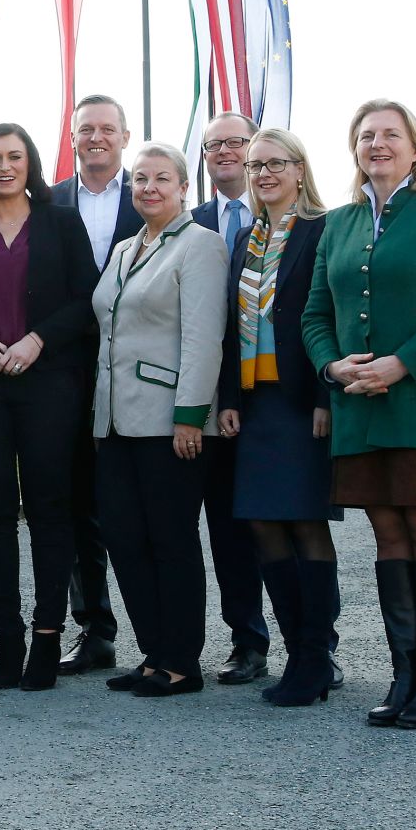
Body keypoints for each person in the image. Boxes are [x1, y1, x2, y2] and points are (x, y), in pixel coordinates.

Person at [302, 99, 416, 730]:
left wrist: (400, 364)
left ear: (415, 147)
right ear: (354, 149)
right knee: (386, 536)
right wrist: (334, 368)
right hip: (358, 406)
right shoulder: (340, 221)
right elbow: (314, 316)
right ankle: (403, 673)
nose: (377, 144)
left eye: (390, 134)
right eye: (365, 136)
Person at [0, 124, 98, 691]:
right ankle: (7, 635)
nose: (4, 166)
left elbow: (86, 297)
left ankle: (48, 635)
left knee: (50, 508)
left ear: (30, 163)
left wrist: (38, 340)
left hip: (47, 381)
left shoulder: (61, 223)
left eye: (14, 156)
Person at [91, 143, 229, 699]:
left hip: (170, 419)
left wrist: (191, 415)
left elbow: (202, 337)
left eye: (162, 179)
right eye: (141, 179)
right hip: (115, 421)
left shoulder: (201, 246)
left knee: (170, 539)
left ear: (183, 188)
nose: (149, 188)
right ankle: (152, 652)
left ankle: (180, 660)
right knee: (125, 539)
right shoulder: (125, 249)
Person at [215, 129, 340, 707]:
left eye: (275, 164)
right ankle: (296, 649)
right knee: (263, 525)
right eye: (256, 164)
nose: (263, 173)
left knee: (307, 525)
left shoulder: (323, 230)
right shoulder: (245, 237)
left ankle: (318, 654)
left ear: (299, 169)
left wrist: (326, 396)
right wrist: (230, 400)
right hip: (256, 403)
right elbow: (227, 324)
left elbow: (329, 317)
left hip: (301, 402)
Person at [49, 94, 144, 677]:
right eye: (86, 129)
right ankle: (95, 629)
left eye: (107, 128)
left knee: (134, 505)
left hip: (136, 373)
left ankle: (165, 634)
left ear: (124, 136)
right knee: (73, 502)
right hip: (62, 372)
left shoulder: (149, 193)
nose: (97, 138)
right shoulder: (48, 199)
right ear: (73, 136)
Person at [189, 113, 274, 685]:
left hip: (271, 396)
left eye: (235, 143)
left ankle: (318, 643)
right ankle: (247, 640)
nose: (224, 152)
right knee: (226, 527)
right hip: (210, 395)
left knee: (289, 522)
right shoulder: (190, 221)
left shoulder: (292, 218)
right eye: (213, 145)